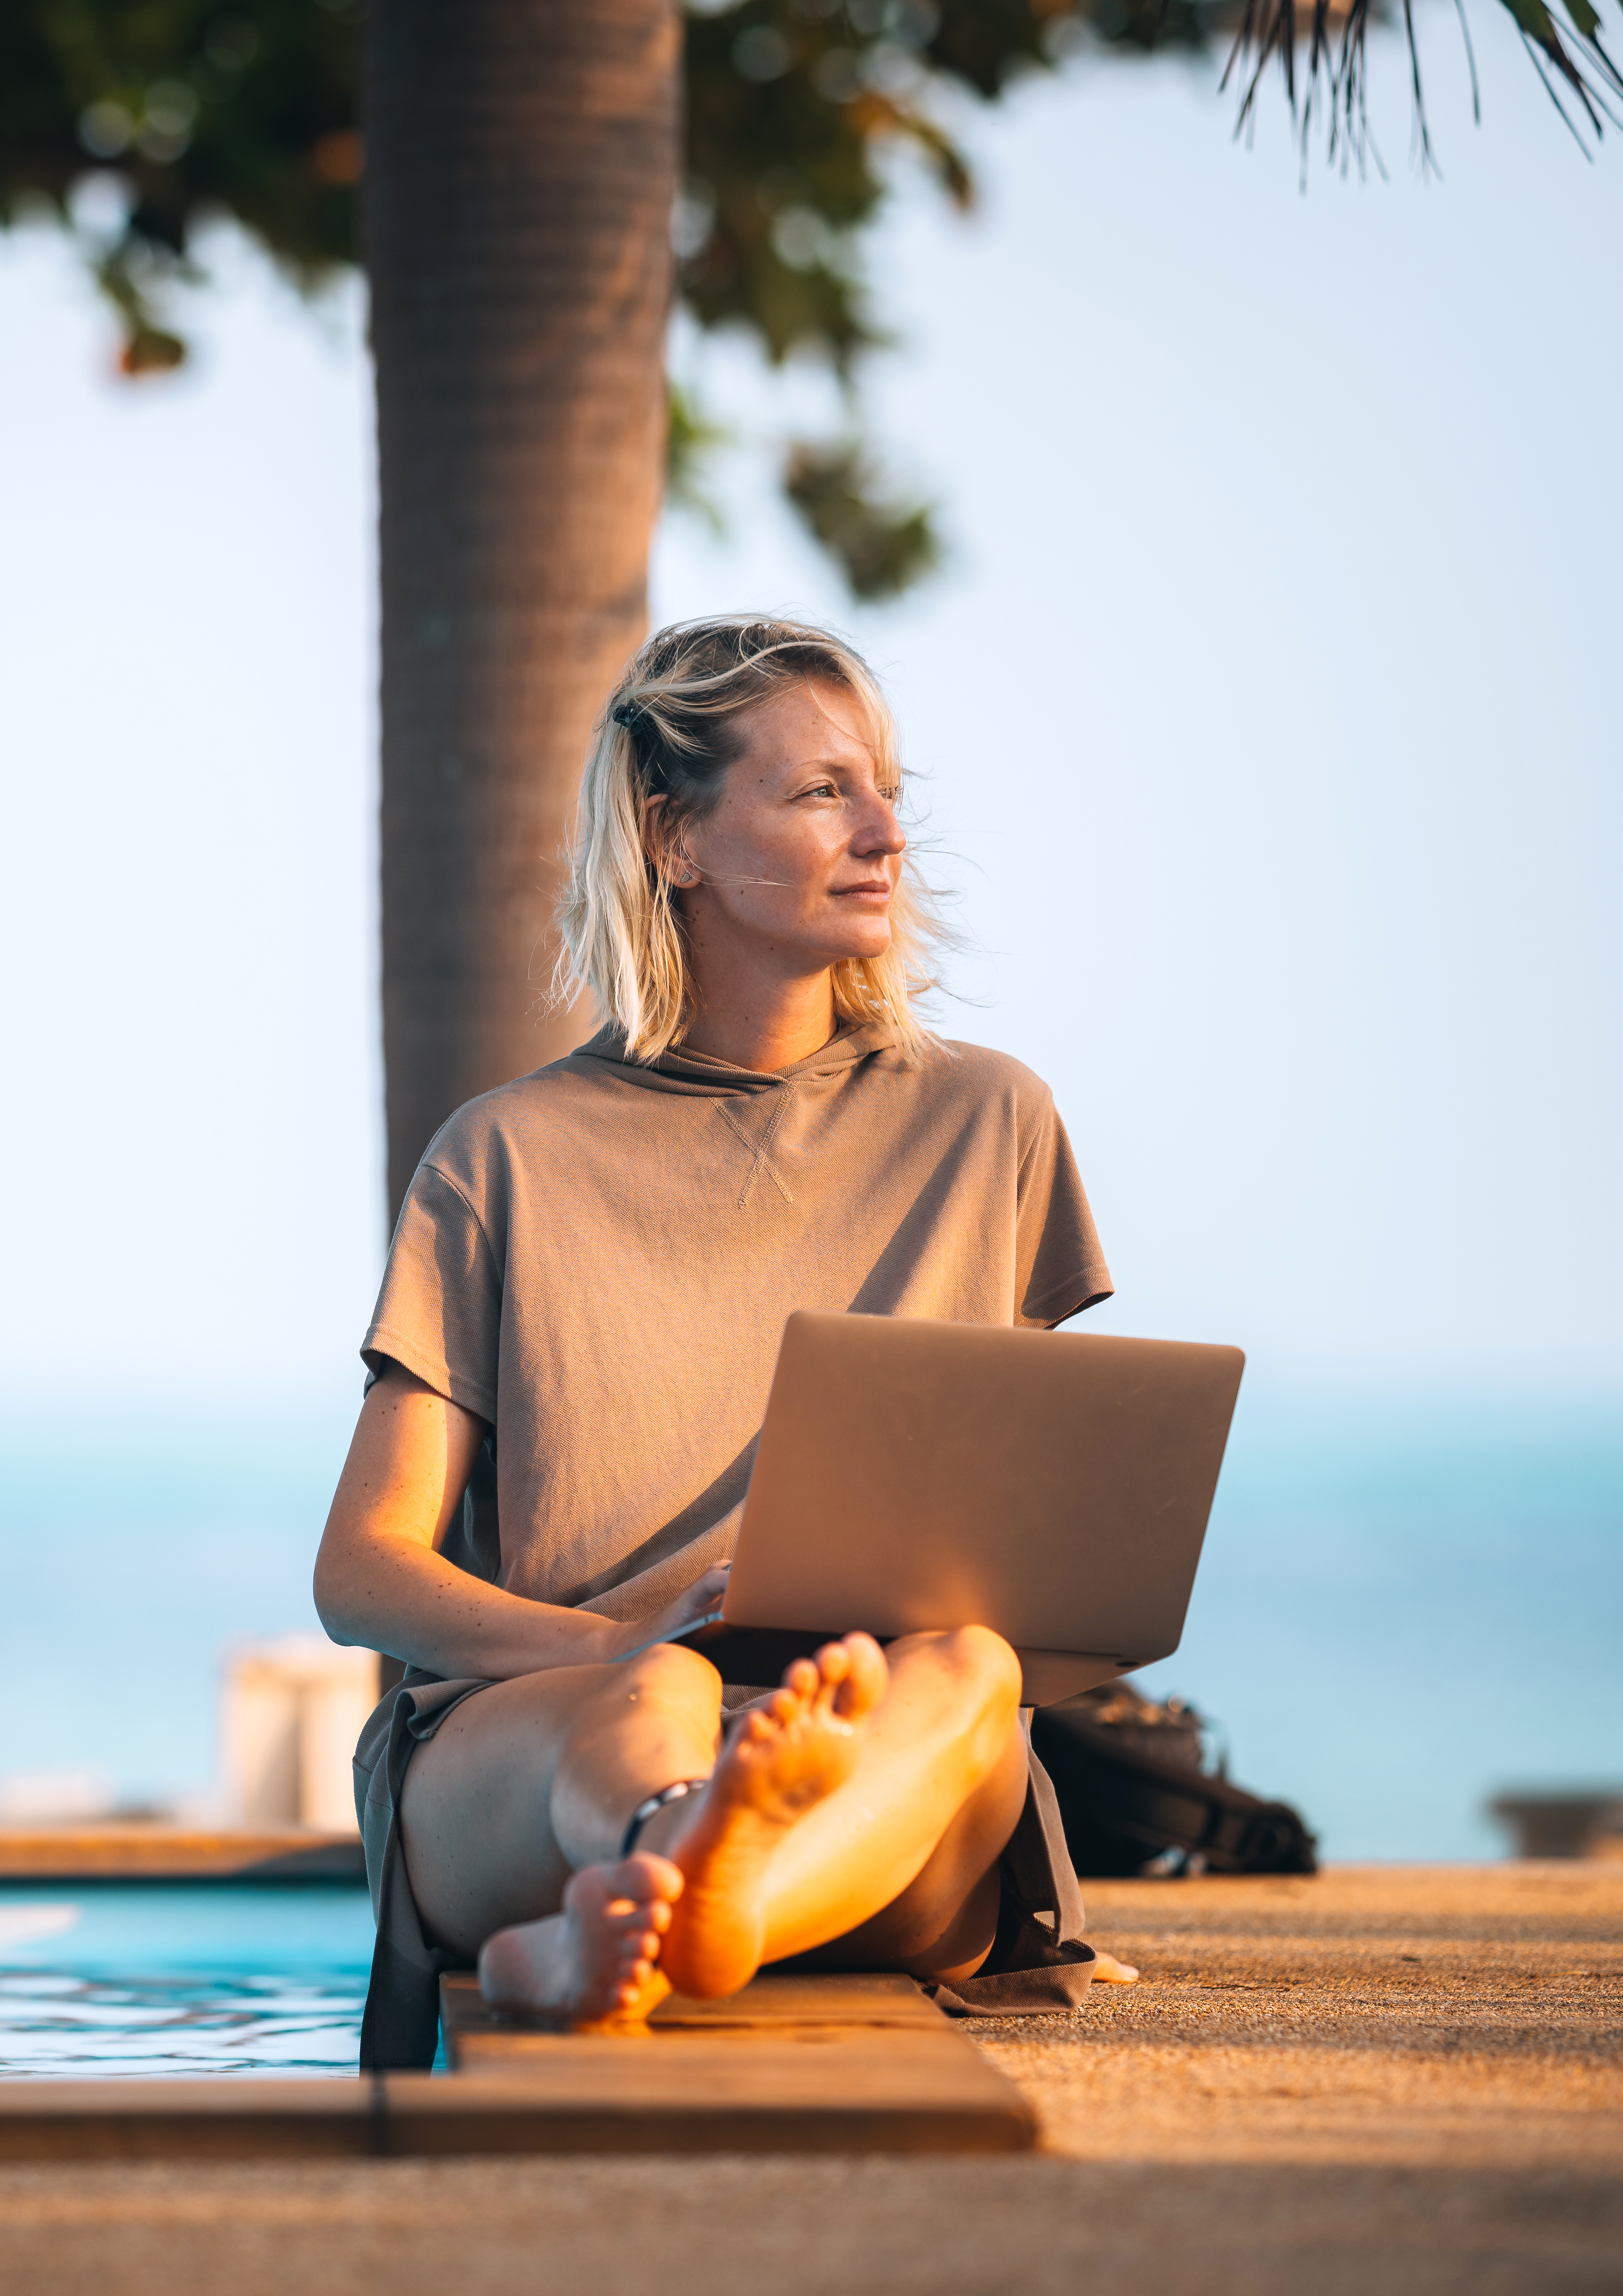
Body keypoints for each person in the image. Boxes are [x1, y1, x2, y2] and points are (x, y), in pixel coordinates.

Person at [317, 616, 1124, 2068]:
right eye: (821, 792)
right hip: (545, 1725)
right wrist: (620, 1637)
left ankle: (672, 1906)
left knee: (974, 1670)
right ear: (672, 837)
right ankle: (690, 1859)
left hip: (872, 1755)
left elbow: (1017, 1540)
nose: (885, 831)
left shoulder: (986, 1121)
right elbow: (363, 1569)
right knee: (666, 1691)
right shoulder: (501, 1155)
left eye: (884, 789)